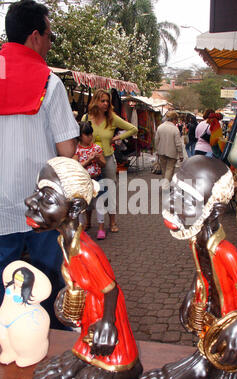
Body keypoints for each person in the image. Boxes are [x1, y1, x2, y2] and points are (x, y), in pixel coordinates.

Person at [137, 156, 237, 379]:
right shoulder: (197, 240)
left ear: (213, 209)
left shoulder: (225, 251)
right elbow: (202, 274)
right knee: (206, 338)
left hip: (230, 321)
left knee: (229, 353)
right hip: (211, 316)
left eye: (185, 198)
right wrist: (193, 295)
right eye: (174, 191)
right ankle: (204, 363)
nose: (172, 203)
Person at [26, 157, 142, 379]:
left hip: (105, 314)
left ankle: (118, 366)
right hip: (90, 314)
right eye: (37, 193)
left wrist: (108, 323)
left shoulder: (85, 250)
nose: (30, 201)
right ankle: (85, 356)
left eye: (46, 197)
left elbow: (111, 290)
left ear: (75, 207)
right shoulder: (65, 240)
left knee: (108, 353)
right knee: (86, 348)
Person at [0, 1, 78, 329]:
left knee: (3, 281)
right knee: (48, 280)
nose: (49, 43)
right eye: (49, 35)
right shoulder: (49, 81)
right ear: (35, 36)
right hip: (41, 204)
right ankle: (49, 344)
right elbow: (67, 150)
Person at [82, 89, 138, 233]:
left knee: (109, 191)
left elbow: (133, 129)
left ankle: (112, 222)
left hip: (107, 159)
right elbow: (80, 136)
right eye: (103, 101)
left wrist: (116, 138)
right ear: (95, 101)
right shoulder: (86, 118)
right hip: (89, 161)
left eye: (108, 101)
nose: (106, 104)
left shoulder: (112, 118)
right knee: (88, 191)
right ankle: (88, 221)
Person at [73, 121, 106, 239]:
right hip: (83, 182)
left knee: (99, 203)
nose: (90, 137)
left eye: (91, 134)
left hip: (97, 179)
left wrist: (98, 160)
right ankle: (82, 230)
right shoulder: (76, 149)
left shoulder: (97, 147)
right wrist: (89, 160)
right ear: (80, 135)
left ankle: (101, 228)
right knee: (83, 206)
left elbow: (104, 164)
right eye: (87, 135)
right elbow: (76, 166)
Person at [155, 111, 184, 189]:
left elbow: (156, 140)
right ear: (174, 119)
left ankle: (165, 183)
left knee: (164, 169)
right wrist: (181, 155)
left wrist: (157, 150)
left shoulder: (160, 127)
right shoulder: (175, 129)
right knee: (170, 169)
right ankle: (166, 185)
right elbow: (178, 143)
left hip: (161, 151)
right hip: (172, 152)